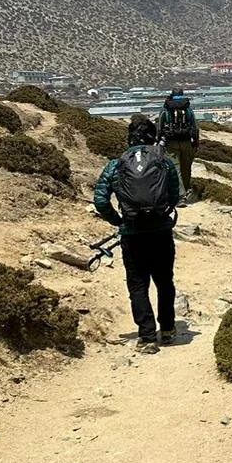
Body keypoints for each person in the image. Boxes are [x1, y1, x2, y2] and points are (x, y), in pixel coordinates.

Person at [93, 114, 182, 350]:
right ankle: (169, 329)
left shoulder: (116, 165)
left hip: (133, 234)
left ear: (129, 139)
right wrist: (164, 210)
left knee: (137, 284)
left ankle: (147, 337)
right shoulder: (164, 161)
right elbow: (176, 193)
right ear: (152, 137)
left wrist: (119, 220)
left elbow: (100, 200)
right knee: (164, 281)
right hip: (161, 231)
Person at [159, 88, 199, 197]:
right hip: (187, 142)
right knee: (186, 168)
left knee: (176, 169)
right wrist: (195, 143)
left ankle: (180, 195)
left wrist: (159, 141)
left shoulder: (166, 109)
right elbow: (195, 127)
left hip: (171, 143)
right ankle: (186, 190)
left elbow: (159, 128)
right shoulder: (188, 109)